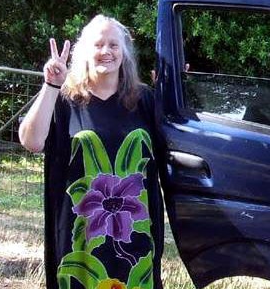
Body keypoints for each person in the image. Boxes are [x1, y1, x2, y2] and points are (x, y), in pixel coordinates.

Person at [19, 15, 164, 289]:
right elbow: (32, 141)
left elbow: (180, 146)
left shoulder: (146, 100)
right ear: (84, 51)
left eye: (113, 45)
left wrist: (178, 89)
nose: (106, 52)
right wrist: (51, 85)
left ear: (125, 53)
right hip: (81, 234)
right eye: (98, 44)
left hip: (135, 236)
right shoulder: (64, 99)